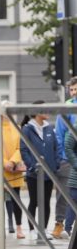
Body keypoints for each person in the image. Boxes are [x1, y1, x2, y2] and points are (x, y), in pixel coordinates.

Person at [0, 113, 26, 239]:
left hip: (13, 168)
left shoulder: (17, 127)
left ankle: (19, 227)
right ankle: (0, 228)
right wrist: (4, 162)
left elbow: (21, 147)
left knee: (16, 199)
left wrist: (12, 161)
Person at [21, 110, 60, 239]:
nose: (48, 112)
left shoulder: (49, 128)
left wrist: (55, 165)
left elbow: (56, 147)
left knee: (46, 202)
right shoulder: (27, 129)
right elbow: (24, 150)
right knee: (34, 201)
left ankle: (43, 229)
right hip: (34, 173)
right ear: (36, 113)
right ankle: (32, 229)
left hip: (49, 173)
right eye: (44, 110)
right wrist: (32, 166)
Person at [52, 77, 77, 238]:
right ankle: (60, 223)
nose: (74, 93)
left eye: (76, 89)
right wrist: (63, 156)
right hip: (68, 157)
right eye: (72, 90)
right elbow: (60, 134)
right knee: (65, 192)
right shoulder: (66, 108)